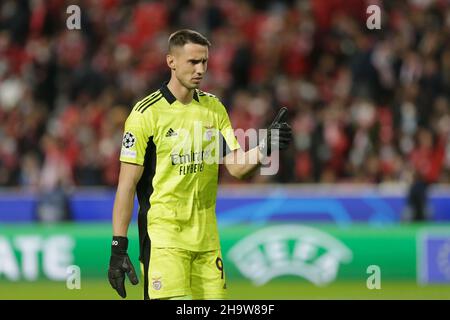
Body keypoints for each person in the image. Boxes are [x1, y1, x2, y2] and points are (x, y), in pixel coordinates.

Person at [107, 29, 292, 300]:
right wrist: (118, 247)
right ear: (171, 61)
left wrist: (265, 146)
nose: (200, 69)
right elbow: (126, 184)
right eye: (193, 62)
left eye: (204, 62)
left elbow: (237, 167)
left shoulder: (213, 109)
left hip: (206, 242)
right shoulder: (146, 114)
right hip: (164, 240)